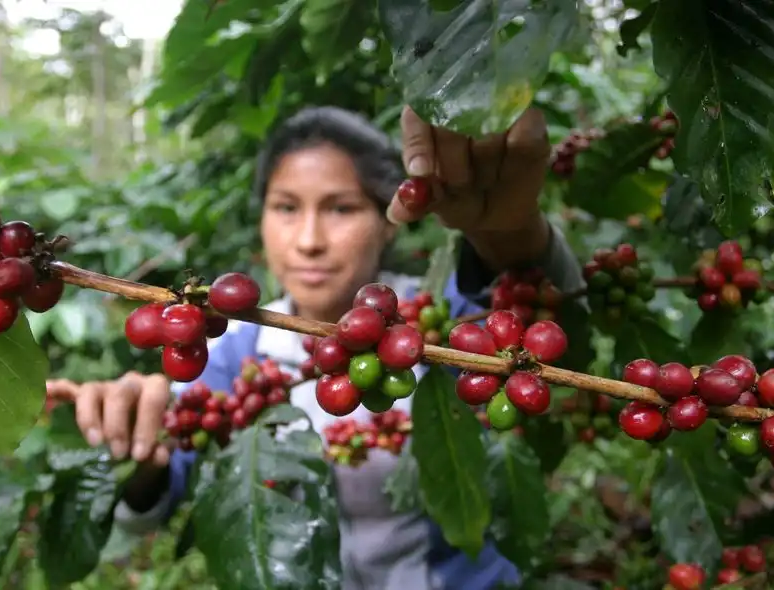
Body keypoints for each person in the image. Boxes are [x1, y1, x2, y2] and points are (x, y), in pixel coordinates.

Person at [46, 104, 586, 589]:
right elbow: (150, 507)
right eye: (285, 207)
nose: (308, 240)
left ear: (389, 222)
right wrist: (138, 445)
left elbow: (534, 310)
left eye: (341, 208)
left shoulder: (432, 327)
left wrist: (510, 231)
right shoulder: (232, 351)